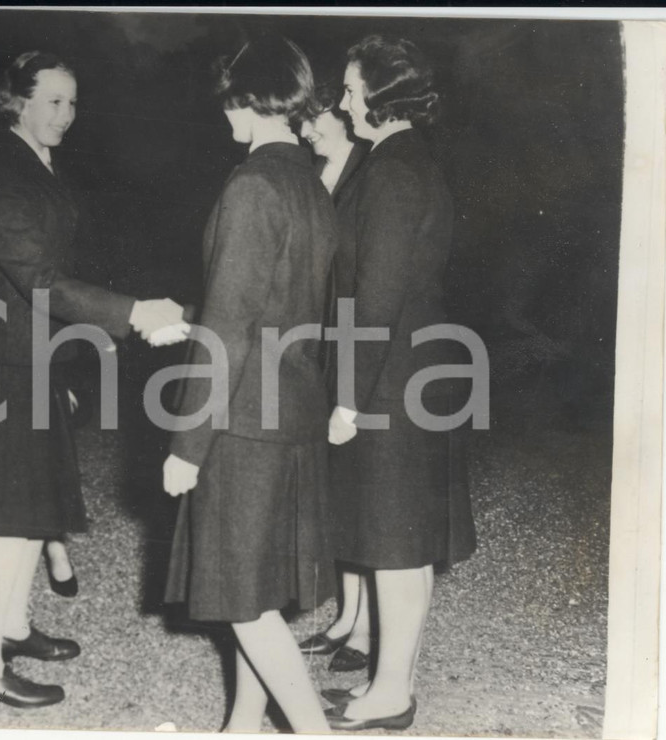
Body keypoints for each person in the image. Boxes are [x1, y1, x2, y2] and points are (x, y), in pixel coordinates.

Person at [0, 51, 186, 708]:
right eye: (53, 101)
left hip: (33, 359)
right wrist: (133, 313)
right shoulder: (5, 175)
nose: (66, 114)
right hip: (0, 368)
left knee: (34, 509)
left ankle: (12, 626)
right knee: (8, 517)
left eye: (72, 102)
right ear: (17, 102)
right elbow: (41, 281)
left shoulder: (38, 166)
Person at [162, 37, 339, 734]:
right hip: (291, 409)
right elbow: (272, 306)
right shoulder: (311, 185)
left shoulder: (251, 185)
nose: (224, 111)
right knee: (254, 588)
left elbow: (233, 327)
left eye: (229, 99)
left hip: (241, 422)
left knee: (242, 600)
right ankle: (242, 725)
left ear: (245, 99)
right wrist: (195, 317)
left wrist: (188, 444)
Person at [322, 35, 477, 730]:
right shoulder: (411, 160)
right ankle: (394, 684)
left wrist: (347, 400)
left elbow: (376, 297)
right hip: (416, 372)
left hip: (389, 382)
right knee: (405, 545)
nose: (342, 101)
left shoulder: (389, 171)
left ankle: (390, 694)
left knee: (392, 545)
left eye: (351, 89)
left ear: (381, 96)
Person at [297, 79, 373, 676]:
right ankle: (348, 616)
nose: (305, 131)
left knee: (363, 487)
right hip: (323, 341)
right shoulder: (320, 174)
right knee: (340, 485)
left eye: (313, 118)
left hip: (356, 343)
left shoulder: (368, 174)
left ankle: (367, 628)